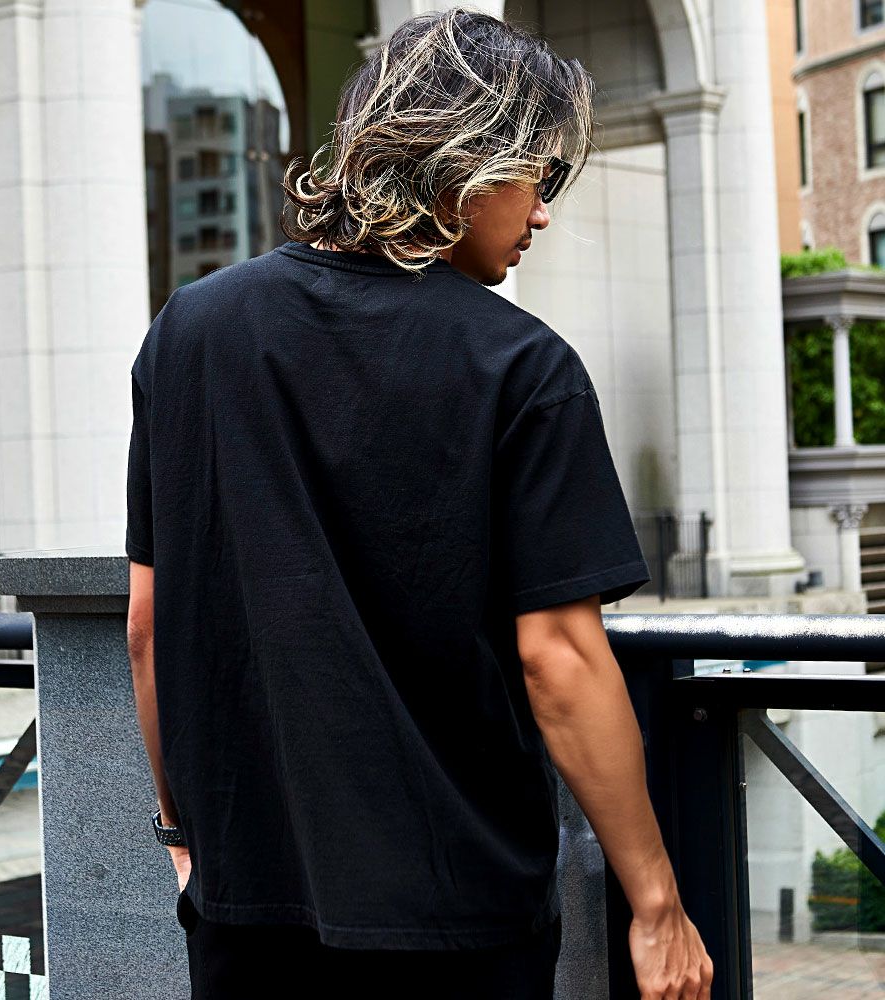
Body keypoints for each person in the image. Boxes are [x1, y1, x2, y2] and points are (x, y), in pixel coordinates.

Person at [125, 6, 714, 999]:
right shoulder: (522, 365)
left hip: (243, 908)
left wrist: (183, 837)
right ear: (467, 165)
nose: (541, 214)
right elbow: (560, 659)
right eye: (539, 178)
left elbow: (148, 623)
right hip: (458, 916)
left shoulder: (191, 329)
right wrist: (656, 905)